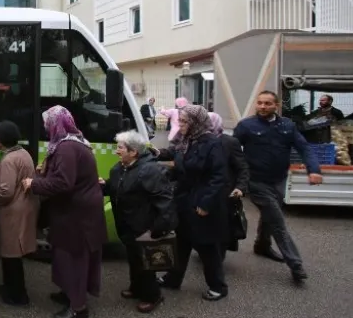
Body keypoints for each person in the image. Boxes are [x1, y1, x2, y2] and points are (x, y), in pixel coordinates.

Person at [22, 105, 106, 318]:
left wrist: (34, 184)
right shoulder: (75, 143)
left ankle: (78, 308)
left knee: (74, 259)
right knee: (65, 257)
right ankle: (69, 293)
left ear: (55, 124)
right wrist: (46, 171)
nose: (45, 127)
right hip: (77, 212)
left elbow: (63, 183)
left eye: (47, 123)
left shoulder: (66, 147)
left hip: (76, 216)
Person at [233, 90, 322, 283]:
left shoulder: (287, 126)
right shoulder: (246, 126)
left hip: (279, 180)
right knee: (278, 221)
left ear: (276, 105)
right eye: (260, 103)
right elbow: (232, 150)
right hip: (256, 182)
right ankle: (296, 265)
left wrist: (313, 169)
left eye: (267, 103)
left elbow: (304, 147)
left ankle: (262, 246)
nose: (262, 107)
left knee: (269, 216)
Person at [154, 105, 229, 301]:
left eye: (185, 121)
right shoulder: (186, 140)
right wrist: (156, 153)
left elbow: (219, 177)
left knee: (206, 246)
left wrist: (205, 204)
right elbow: (175, 153)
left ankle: (218, 286)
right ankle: (173, 278)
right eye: (180, 120)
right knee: (181, 242)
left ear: (196, 123)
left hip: (201, 203)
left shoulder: (212, 143)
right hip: (184, 200)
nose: (180, 124)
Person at [101, 130, 174, 313]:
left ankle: (153, 296)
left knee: (146, 262)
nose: (117, 151)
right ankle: (136, 288)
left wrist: (158, 229)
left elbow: (164, 201)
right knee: (133, 259)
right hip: (126, 224)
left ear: (134, 152)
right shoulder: (119, 168)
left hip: (144, 227)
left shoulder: (149, 171)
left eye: (120, 148)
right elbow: (115, 186)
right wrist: (103, 185)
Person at [0, 121, 40, 307]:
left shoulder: (9, 160)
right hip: (24, 208)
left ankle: (18, 296)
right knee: (11, 253)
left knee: (11, 255)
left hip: (12, 212)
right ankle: (9, 287)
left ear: (2, 139)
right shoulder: (21, 153)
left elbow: (6, 191)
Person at [208, 113, 250, 259]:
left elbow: (242, 167)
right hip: (204, 191)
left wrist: (240, 187)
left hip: (225, 192)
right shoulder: (197, 140)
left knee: (222, 228)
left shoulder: (230, 142)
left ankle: (218, 258)